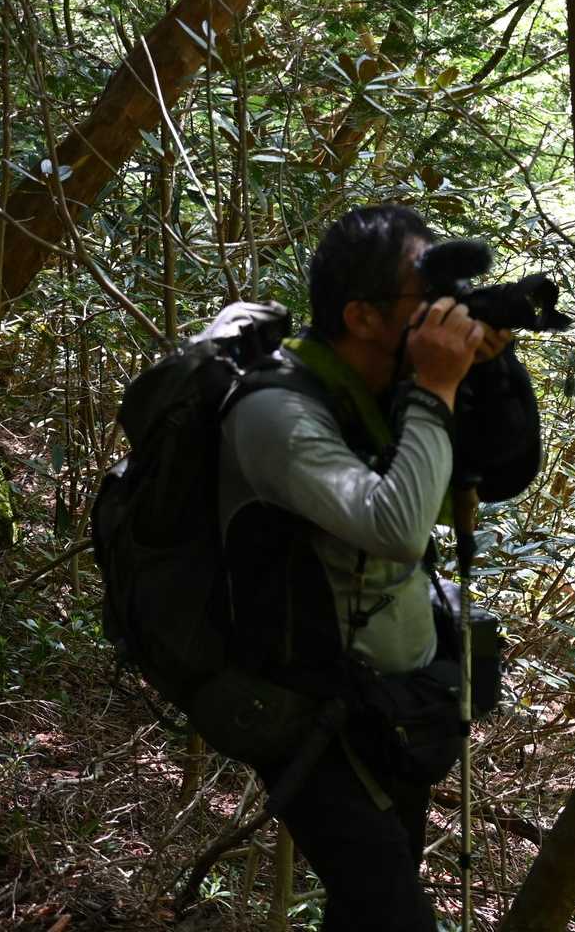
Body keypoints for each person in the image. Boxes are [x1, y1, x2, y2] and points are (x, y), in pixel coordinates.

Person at [216, 203, 512, 930]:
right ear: (363, 316)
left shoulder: (378, 391)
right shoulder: (279, 414)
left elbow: (503, 470)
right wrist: (435, 387)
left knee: (367, 911)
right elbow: (398, 528)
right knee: (393, 915)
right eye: (426, 293)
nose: (444, 309)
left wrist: (489, 373)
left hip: (389, 704)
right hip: (308, 713)